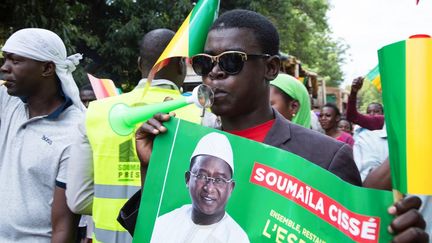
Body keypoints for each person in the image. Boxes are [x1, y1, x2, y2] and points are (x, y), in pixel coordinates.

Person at [66, 28, 201, 243]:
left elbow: (77, 200)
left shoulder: (95, 113)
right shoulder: (202, 117)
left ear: (139, 64)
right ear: (181, 65)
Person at [0, 28, 85, 242]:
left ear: (47, 68)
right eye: (5, 59)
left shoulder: (75, 132)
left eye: (15, 61)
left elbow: (63, 227)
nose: (4, 68)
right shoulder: (10, 103)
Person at [151, 132, 249, 243]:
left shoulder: (237, 238)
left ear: (230, 188)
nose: (209, 188)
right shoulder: (164, 224)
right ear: (188, 179)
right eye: (202, 176)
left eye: (219, 180)